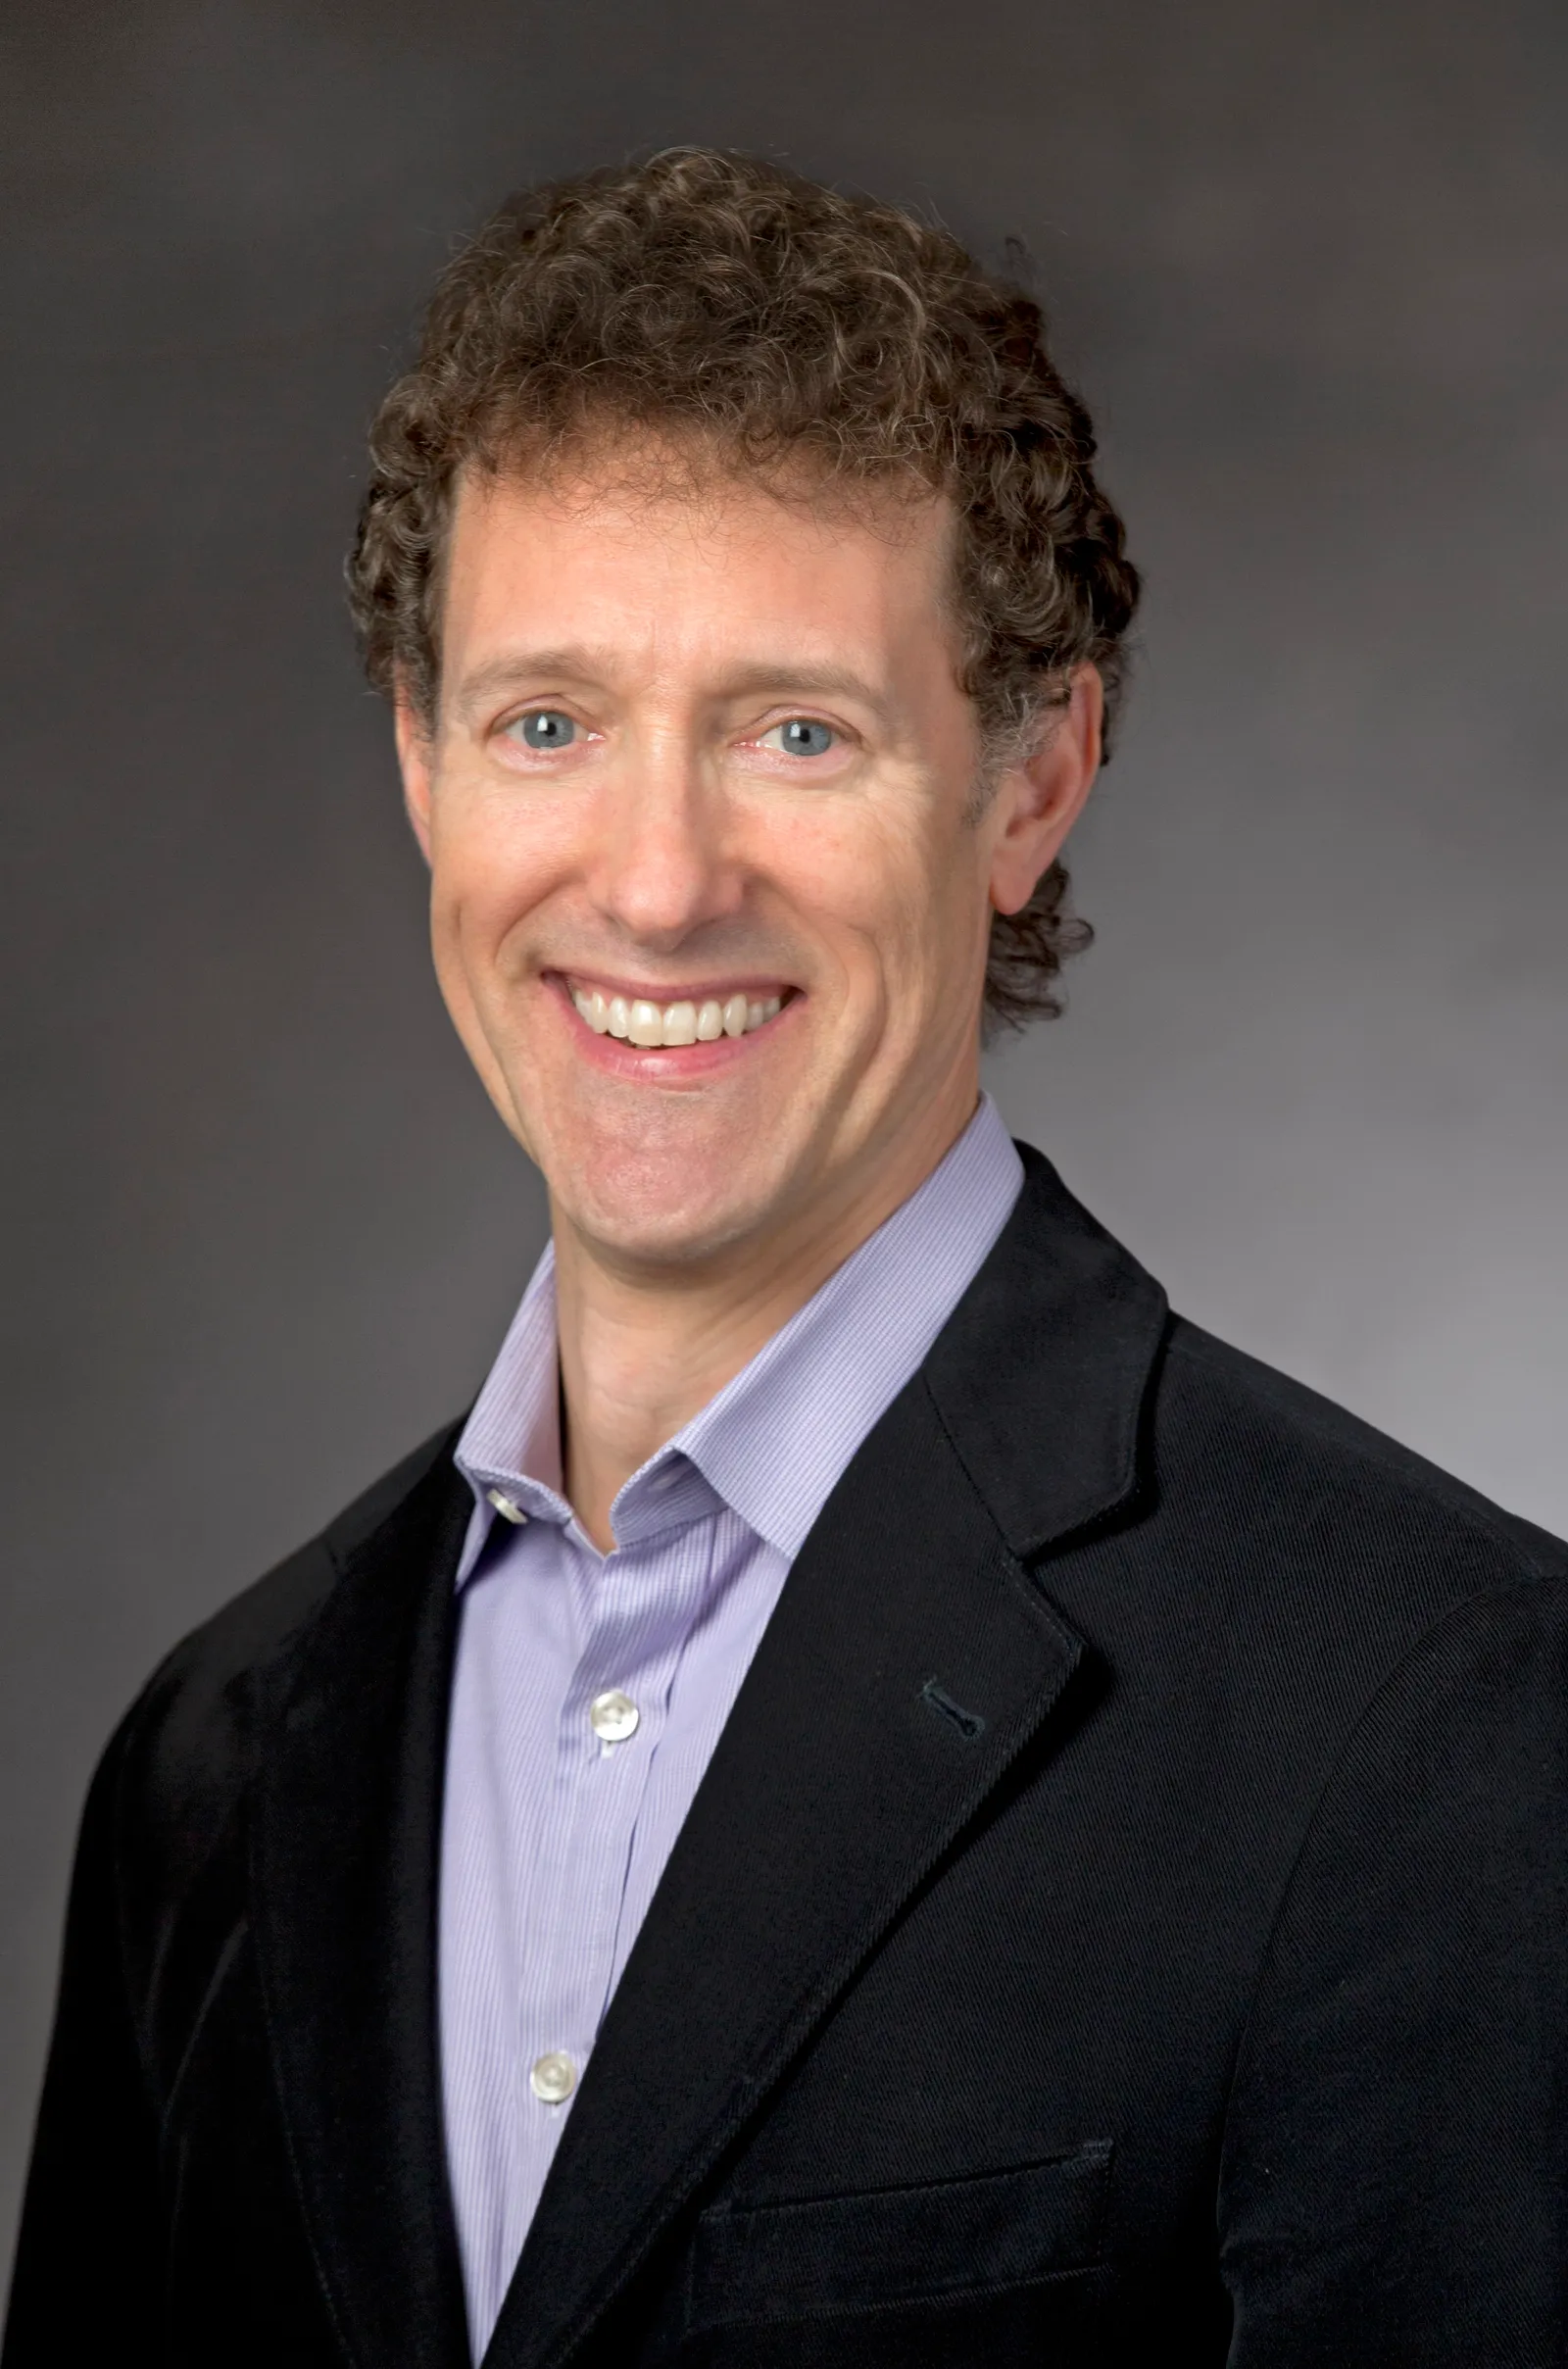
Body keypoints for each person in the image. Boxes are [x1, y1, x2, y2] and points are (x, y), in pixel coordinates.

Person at [5, 146, 1566, 2369]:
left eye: (794, 732)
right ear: (424, 773)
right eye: (547, 722)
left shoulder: (1438, 1722)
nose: (652, 883)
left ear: (1029, 785)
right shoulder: (217, 1763)